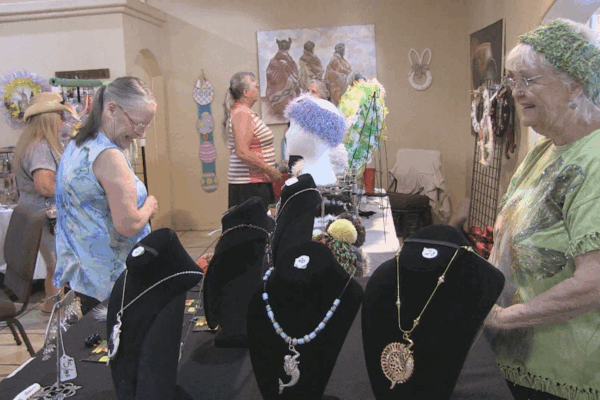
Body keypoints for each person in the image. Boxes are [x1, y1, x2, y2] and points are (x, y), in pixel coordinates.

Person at [485, 19, 600, 400]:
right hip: (517, 360)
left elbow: (595, 282)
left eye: (528, 80)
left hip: (565, 374)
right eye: (513, 80)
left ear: (575, 85)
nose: (516, 92)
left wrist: (504, 318)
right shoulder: (545, 149)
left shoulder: (596, 160)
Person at [54, 77, 158, 314]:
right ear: (112, 109)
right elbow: (127, 224)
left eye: (145, 126)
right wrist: (150, 205)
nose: (140, 133)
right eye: (137, 123)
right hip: (111, 280)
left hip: (84, 274)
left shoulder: (78, 144)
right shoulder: (109, 155)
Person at [15, 92, 78, 313]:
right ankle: (55, 307)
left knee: (55, 264)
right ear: (49, 118)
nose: (63, 121)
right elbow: (44, 185)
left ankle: (52, 303)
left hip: (41, 214)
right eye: (60, 116)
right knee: (56, 265)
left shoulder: (34, 144)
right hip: (47, 215)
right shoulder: (41, 146)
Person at [223, 72, 281, 210]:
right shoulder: (242, 114)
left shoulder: (244, 112)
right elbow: (242, 152)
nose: (258, 90)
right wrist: (270, 171)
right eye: (256, 86)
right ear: (245, 92)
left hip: (255, 182)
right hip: (249, 186)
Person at [265, 38, 301, 118]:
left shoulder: (273, 61)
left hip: (276, 92)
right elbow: (294, 75)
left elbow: (269, 75)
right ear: (288, 48)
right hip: (284, 92)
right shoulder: (287, 61)